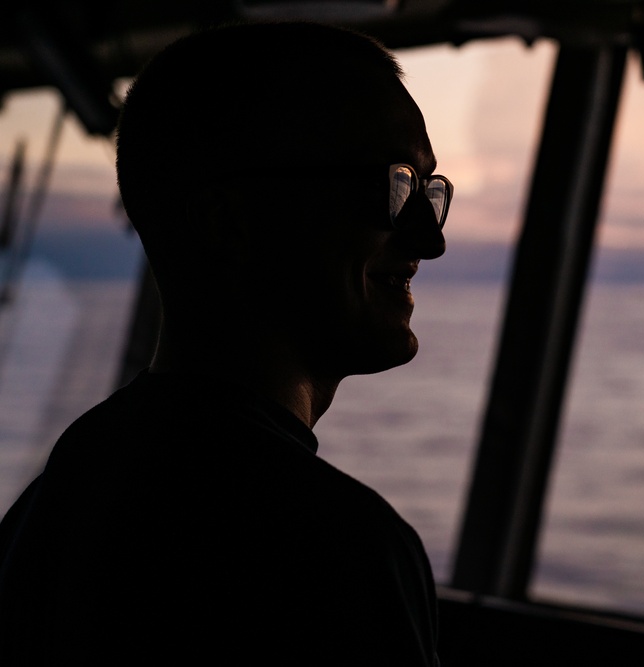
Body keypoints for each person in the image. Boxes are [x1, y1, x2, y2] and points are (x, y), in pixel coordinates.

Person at [0, 22, 450, 664]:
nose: (428, 240)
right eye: (392, 185)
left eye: (427, 192)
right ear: (229, 220)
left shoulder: (59, 501)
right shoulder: (331, 550)